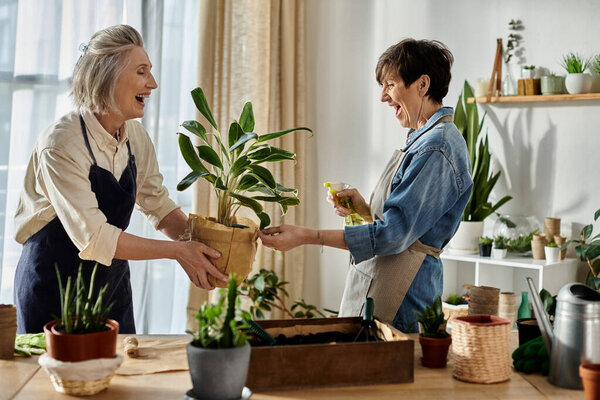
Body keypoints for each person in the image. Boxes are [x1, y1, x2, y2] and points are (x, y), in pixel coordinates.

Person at [13, 25, 227, 334]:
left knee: (124, 377)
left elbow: (159, 206)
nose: (152, 84)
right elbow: (95, 238)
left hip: (109, 286)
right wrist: (180, 252)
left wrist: (208, 250)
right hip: (53, 286)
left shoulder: (135, 137)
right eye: (142, 72)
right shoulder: (61, 144)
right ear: (108, 75)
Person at [259, 39, 473, 332]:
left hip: (404, 293)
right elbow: (401, 226)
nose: (384, 97)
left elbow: (394, 236)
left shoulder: (436, 149)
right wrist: (364, 209)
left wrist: (306, 236)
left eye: (390, 84)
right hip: (388, 282)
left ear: (422, 84)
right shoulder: (422, 140)